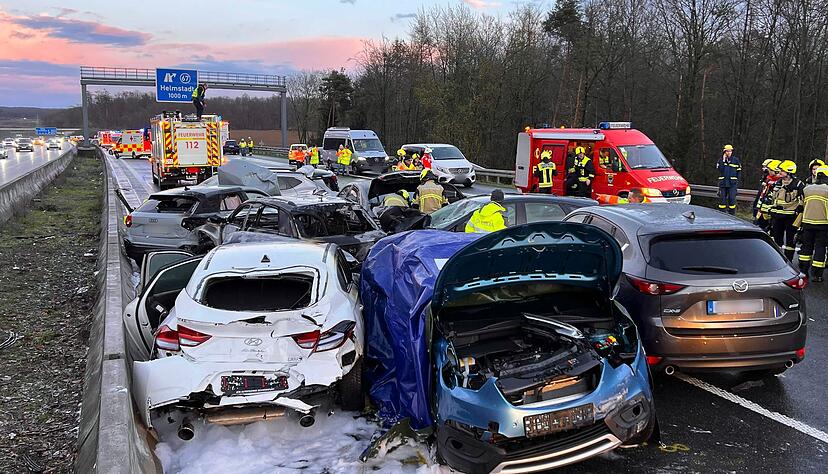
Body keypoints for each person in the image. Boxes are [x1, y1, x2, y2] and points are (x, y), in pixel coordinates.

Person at [769, 160, 805, 261]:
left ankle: (788, 261)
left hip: (791, 217)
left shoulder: (798, 184)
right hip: (777, 216)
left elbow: (802, 200)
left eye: (782, 170)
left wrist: (799, 209)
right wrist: (771, 210)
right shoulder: (777, 183)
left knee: (790, 241)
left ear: (789, 172)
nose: (780, 172)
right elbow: (773, 198)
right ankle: (777, 261)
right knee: (777, 240)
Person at [798, 165, 828, 282]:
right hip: (823, 224)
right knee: (820, 248)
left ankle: (803, 271)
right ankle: (817, 275)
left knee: (806, 247)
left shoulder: (807, 189)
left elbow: (801, 206)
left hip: (807, 223)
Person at [756, 159, 782, 231]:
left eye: (770, 170)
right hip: (762, 210)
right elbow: (763, 194)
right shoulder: (768, 179)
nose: (768, 171)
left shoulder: (780, 183)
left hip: (771, 212)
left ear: (776, 171)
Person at [716, 144, 741, 215]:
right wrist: (724, 161)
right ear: (724, 152)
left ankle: (732, 215)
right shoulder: (720, 160)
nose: (729, 152)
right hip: (723, 183)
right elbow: (720, 170)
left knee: (732, 199)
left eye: (730, 151)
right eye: (727, 151)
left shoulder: (736, 160)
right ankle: (721, 214)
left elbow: (739, 172)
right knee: (722, 200)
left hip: (732, 184)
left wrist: (737, 182)